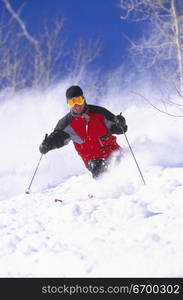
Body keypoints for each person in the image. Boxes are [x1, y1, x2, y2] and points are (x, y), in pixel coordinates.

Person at [39, 85, 128, 178]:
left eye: (78, 100)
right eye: (72, 102)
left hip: (114, 152)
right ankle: (106, 190)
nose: (76, 105)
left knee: (125, 167)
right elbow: (57, 138)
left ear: (84, 99)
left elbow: (118, 128)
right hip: (94, 160)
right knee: (101, 171)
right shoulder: (66, 124)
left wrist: (121, 123)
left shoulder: (99, 113)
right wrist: (47, 144)